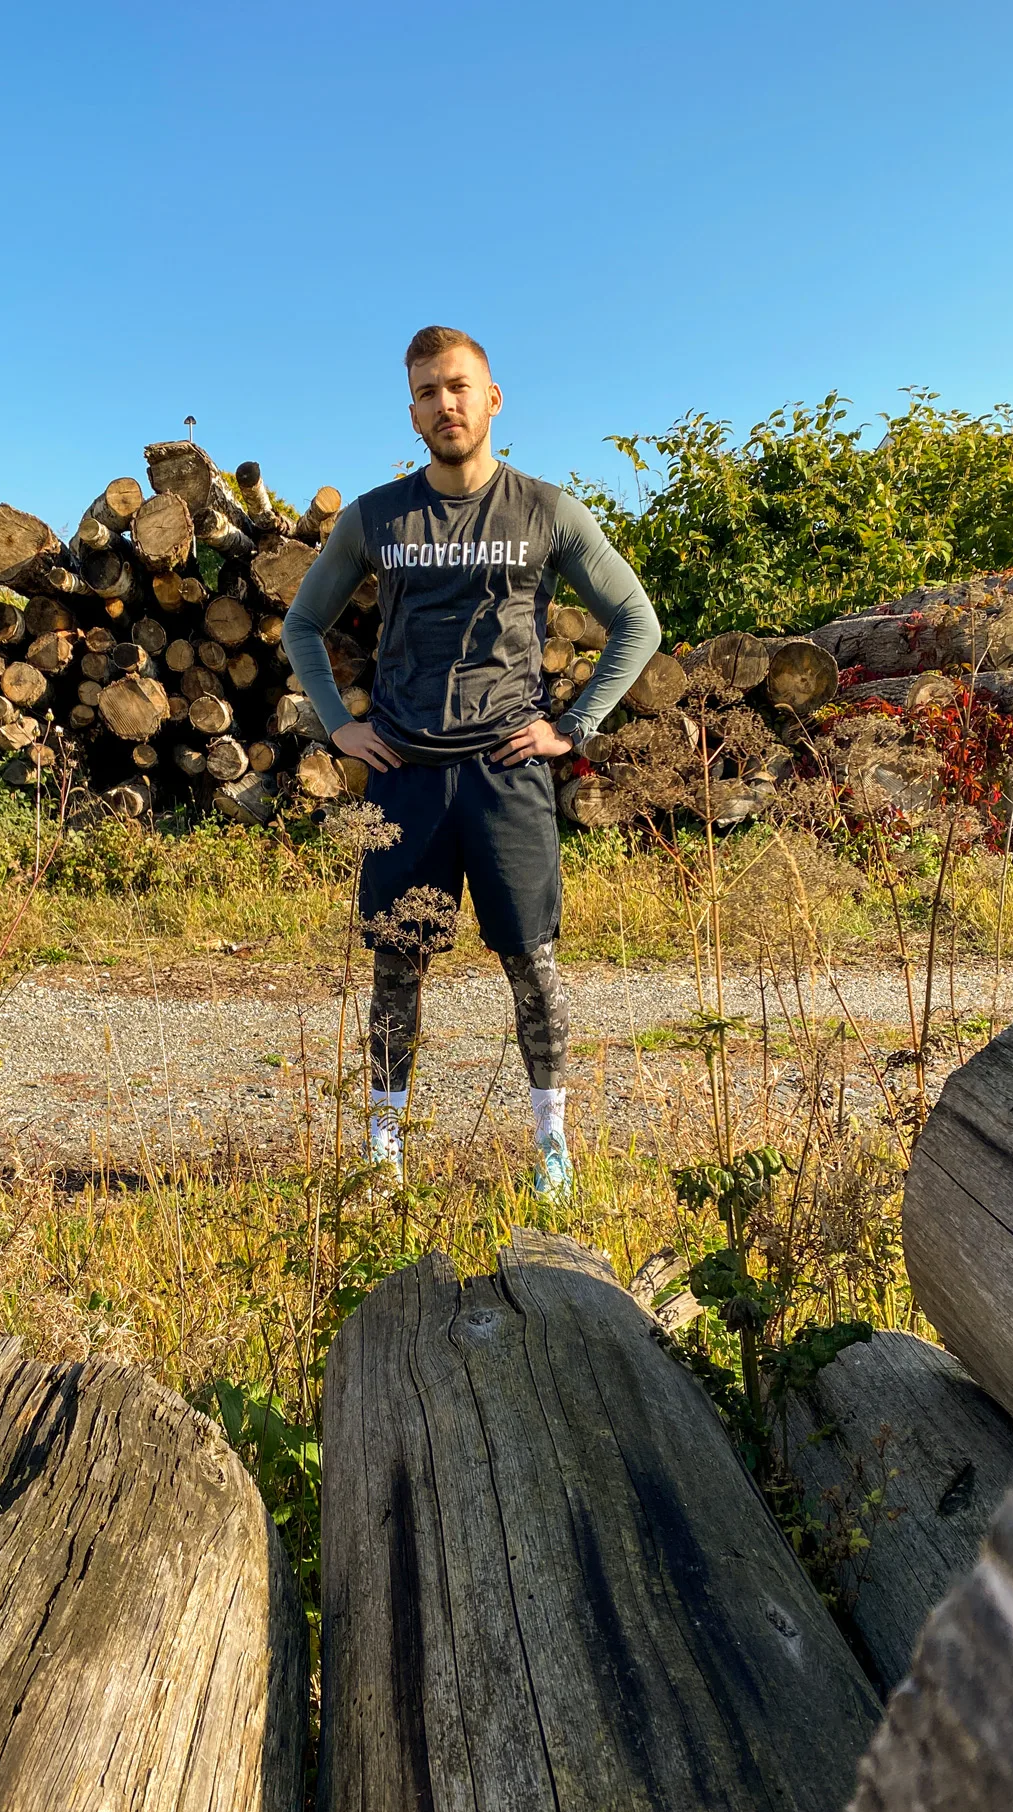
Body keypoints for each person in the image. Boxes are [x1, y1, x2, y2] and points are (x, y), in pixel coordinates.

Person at [282, 325, 662, 1196]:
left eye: (457, 387)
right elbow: (302, 625)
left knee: (532, 961)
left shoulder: (547, 510)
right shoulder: (377, 517)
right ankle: (384, 1149)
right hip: (405, 775)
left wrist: (575, 725)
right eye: (426, 392)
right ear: (411, 411)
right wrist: (339, 724)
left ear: (492, 399)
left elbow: (637, 621)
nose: (444, 404)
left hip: (507, 774)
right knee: (396, 962)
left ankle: (551, 1148)